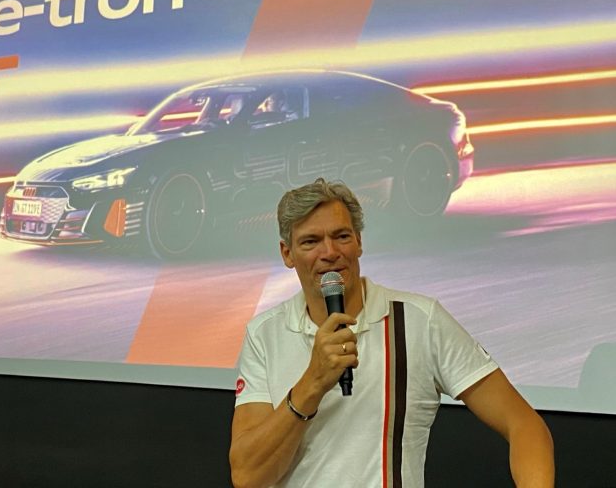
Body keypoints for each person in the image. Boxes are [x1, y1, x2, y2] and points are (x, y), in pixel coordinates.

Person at [229, 178, 554, 488]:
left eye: (341, 236)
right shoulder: (264, 334)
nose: (329, 252)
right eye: (310, 241)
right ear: (287, 253)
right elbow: (247, 476)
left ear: (359, 242)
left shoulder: (420, 320)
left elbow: (525, 425)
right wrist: (312, 383)